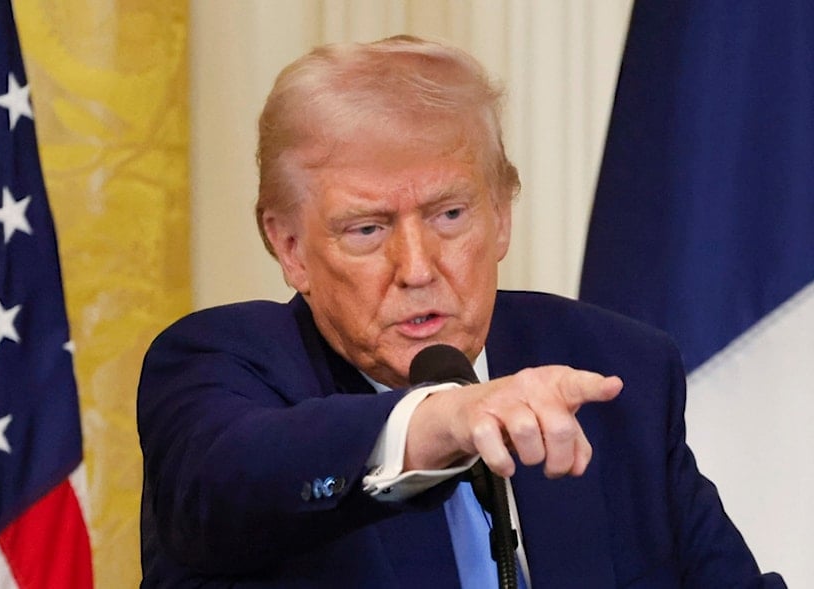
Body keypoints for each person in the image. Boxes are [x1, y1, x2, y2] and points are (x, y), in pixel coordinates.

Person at [137, 35, 785, 588]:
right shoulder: (219, 367)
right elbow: (229, 480)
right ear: (289, 246)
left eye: (450, 215)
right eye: (366, 229)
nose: (417, 268)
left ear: (501, 216)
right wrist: (444, 418)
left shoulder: (617, 366)